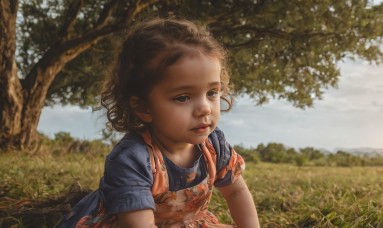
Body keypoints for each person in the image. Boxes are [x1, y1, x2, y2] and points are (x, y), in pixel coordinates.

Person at [59, 18, 259, 228]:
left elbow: (236, 191)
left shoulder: (215, 145)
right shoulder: (133, 159)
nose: (205, 108)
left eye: (212, 92)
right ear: (144, 108)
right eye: (183, 97)